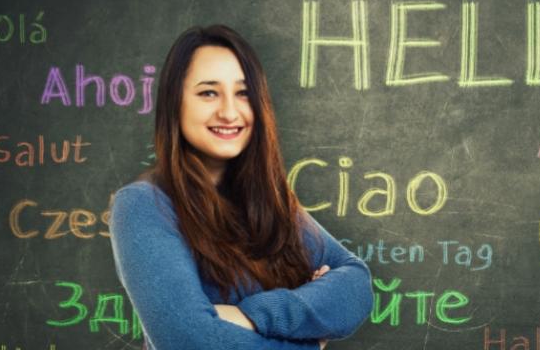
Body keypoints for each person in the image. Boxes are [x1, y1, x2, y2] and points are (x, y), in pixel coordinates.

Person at [109, 25, 372, 349]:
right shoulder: (143, 205)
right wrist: (311, 342)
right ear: (174, 103)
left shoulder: (266, 200)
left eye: (243, 93)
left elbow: (355, 284)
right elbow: (192, 341)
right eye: (208, 92)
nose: (229, 112)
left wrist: (252, 316)